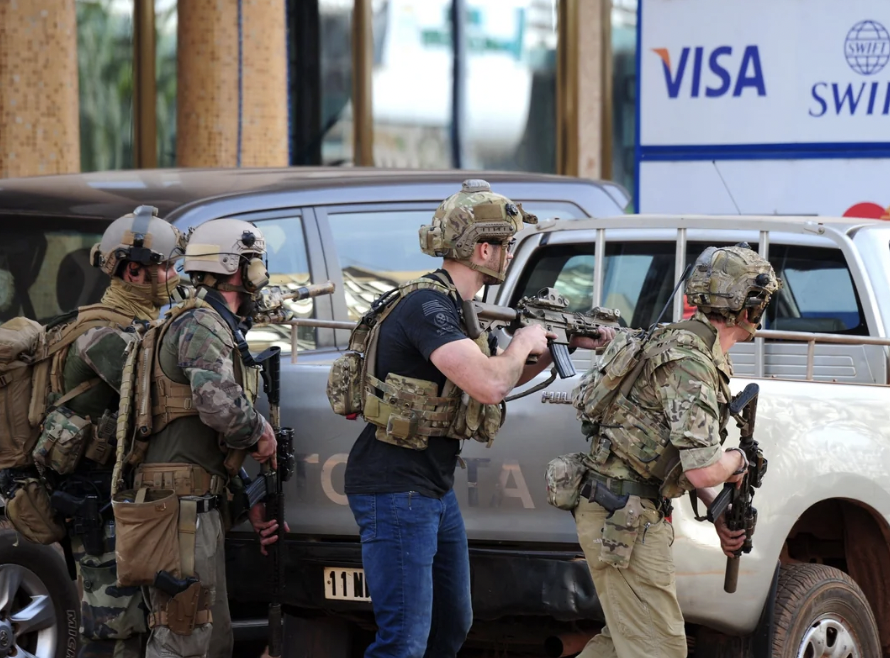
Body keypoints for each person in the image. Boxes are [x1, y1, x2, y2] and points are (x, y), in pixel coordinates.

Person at [341, 179, 616, 658]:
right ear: (482, 248)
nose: (509, 252)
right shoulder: (428, 307)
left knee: (452, 625)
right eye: (505, 244)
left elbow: (495, 378)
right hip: (397, 488)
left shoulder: (454, 306)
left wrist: (554, 345)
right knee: (403, 642)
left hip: (430, 487)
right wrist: (524, 339)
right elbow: (490, 383)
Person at [571, 244, 782, 658]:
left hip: (628, 510)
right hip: (623, 515)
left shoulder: (688, 347)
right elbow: (704, 469)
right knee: (660, 649)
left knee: (621, 646)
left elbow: (681, 457)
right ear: (747, 308)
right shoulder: (690, 360)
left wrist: (720, 513)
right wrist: (740, 462)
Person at [132, 218, 281, 658]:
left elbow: (201, 437)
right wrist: (260, 434)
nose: (262, 273)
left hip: (196, 505)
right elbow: (217, 406)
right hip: (178, 511)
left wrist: (244, 498)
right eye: (256, 262)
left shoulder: (210, 321)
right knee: (183, 635)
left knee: (212, 641)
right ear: (237, 266)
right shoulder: (200, 323)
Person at [62, 205, 183, 658]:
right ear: (134, 271)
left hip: (116, 499)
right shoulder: (103, 336)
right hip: (95, 501)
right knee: (113, 631)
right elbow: (158, 400)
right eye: (165, 267)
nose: (173, 275)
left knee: (131, 626)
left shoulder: (138, 327)